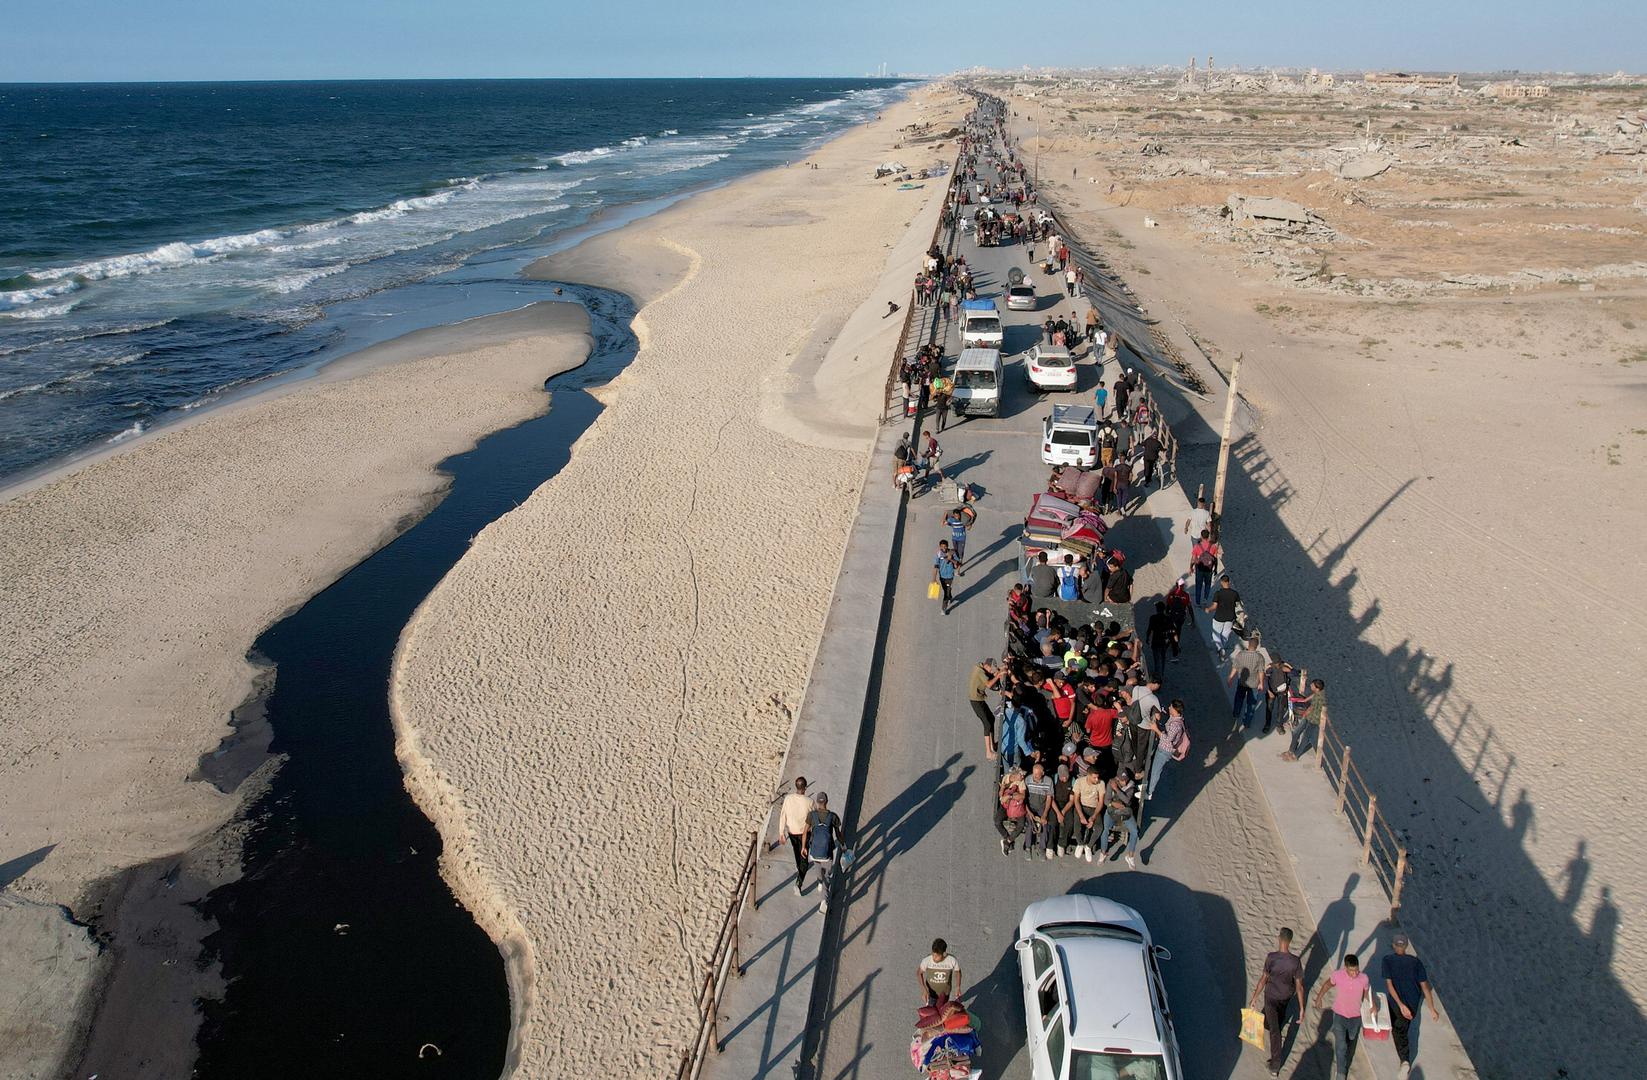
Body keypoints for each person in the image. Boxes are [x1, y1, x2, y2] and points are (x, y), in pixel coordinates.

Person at [1250, 927, 1306, 1077]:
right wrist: (1301, 1007)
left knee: (1276, 1032)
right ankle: (1267, 1025)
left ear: (1279, 938)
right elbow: (1299, 987)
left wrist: (1254, 997)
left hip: (1271, 997)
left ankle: (1275, 1065)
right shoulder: (1295, 962)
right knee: (1276, 1021)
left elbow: (1263, 979)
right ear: (1290, 941)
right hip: (1286, 997)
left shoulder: (1271, 957)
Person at [1382, 933, 1439, 1077]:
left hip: (1397, 1003)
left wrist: (1400, 1004)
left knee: (1398, 1031)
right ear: (1406, 946)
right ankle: (1404, 1061)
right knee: (1403, 1028)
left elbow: (1389, 986)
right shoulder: (1416, 962)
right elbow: (1425, 987)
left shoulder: (1387, 960)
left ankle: (1405, 1061)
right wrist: (1432, 1009)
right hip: (1412, 1004)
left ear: (1394, 945)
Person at [1313, 954, 1373, 1080]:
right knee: (1341, 1046)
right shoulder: (1337, 975)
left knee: (1351, 1040)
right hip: (1339, 1015)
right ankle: (1341, 1073)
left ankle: (1344, 1061)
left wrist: (1373, 1005)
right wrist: (1319, 997)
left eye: (1356, 969)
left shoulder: (1364, 978)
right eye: (1352, 971)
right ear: (1346, 968)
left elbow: (1367, 993)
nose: (1355, 973)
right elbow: (1327, 984)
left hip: (1356, 1017)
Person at [805, 793, 844, 913]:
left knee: (817, 866)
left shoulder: (812, 816)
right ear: (826, 801)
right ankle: (824, 901)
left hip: (815, 849)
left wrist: (803, 847)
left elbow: (805, 831)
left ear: (817, 802)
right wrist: (843, 845)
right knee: (827, 875)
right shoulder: (833, 817)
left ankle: (819, 882)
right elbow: (838, 833)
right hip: (827, 851)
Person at [1144, 699, 1188, 799]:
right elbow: (1165, 711)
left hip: (1165, 751)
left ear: (1175, 710)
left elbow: (1168, 740)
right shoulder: (1176, 718)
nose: (1169, 708)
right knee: (1153, 769)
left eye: (1171, 707)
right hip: (1163, 748)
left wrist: (1156, 729)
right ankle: (1147, 788)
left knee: (1156, 771)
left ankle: (1149, 793)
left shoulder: (1176, 725)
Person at [1100, 768, 1140, 868]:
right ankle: (1103, 852)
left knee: (1134, 831)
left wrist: (1117, 789)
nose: (1124, 781)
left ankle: (1130, 856)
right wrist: (1113, 803)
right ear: (1117, 778)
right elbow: (1106, 801)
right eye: (1122, 780)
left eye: (1125, 779)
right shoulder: (1111, 783)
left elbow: (1126, 800)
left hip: (1125, 812)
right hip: (1112, 810)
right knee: (1105, 829)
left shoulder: (1131, 785)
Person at [1282, 678, 1327, 761]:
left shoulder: (1319, 698)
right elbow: (1314, 695)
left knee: (1305, 737)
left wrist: (1304, 714)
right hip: (1309, 717)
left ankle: (1296, 755)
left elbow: (1311, 708)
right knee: (1296, 732)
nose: (1310, 685)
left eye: (1312, 685)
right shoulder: (1320, 692)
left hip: (1313, 719)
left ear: (1317, 688)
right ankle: (1291, 750)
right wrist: (1305, 700)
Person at [967, 659, 1004, 760]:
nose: (991, 672)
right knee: (987, 724)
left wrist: (999, 670)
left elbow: (991, 674)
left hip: (979, 699)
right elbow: (988, 684)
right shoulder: (980, 672)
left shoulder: (981, 667)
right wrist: (998, 676)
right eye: (991, 670)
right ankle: (988, 752)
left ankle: (993, 745)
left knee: (991, 718)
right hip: (976, 701)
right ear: (987, 666)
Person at [1229, 632, 1267, 730]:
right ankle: (1247, 722)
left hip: (1242, 681)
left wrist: (1230, 678)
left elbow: (1235, 667)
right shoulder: (1260, 657)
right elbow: (1261, 672)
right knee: (1251, 704)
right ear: (1256, 646)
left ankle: (1236, 713)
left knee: (1239, 698)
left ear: (1248, 644)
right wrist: (1261, 683)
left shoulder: (1240, 654)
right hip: (1254, 683)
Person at [1071, 765, 1105, 862]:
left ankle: (1088, 846)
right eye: (1094, 777)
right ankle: (1080, 843)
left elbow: (1100, 802)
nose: (1096, 779)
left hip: (1094, 808)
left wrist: (1093, 817)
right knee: (1077, 824)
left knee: (1099, 827)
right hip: (1081, 806)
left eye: (1097, 777)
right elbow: (1076, 800)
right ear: (1088, 776)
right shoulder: (1079, 782)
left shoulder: (1101, 783)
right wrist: (1081, 816)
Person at [1024, 760, 1057, 860]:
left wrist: (1045, 814)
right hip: (1030, 807)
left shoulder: (1048, 781)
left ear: (1043, 773)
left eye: (1037, 775)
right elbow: (1024, 798)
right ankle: (1027, 848)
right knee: (1030, 825)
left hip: (1042, 807)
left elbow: (1049, 798)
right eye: (1034, 774)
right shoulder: (1028, 779)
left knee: (1045, 824)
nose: (1035, 776)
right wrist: (1029, 812)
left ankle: (1042, 848)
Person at [1207, 574, 1240, 660]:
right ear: (1229, 582)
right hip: (1230, 617)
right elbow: (1236, 604)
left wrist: (1208, 609)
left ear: (1221, 582)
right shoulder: (1234, 593)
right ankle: (1222, 648)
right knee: (1225, 634)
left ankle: (1220, 649)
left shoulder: (1218, 593)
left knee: (1216, 634)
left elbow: (1214, 606)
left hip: (1219, 617)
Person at [919, 939, 962, 1006]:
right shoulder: (927, 960)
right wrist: (924, 989)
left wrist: (958, 987)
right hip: (931, 993)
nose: (934, 958)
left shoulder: (952, 960)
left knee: (942, 1009)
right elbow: (919, 973)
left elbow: (958, 972)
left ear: (944, 954)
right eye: (933, 955)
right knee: (932, 1010)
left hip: (945, 993)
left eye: (937, 956)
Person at [997, 767, 1028, 855]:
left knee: (1021, 825)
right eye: (1020, 775)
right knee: (997, 821)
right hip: (1006, 805)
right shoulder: (1006, 778)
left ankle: (1008, 841)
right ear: (1015, 775)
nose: (1022, 776)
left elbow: (1022, 796)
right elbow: (1001, 794)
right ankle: (1008, 839)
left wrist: (1010, 797)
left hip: (1016, 806)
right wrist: (1003, 793)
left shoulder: (1021, 782)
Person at [1190, 528, 1220, 607]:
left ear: (1201, 536)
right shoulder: (1213, 546)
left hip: (1199, 568)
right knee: (1207, 584)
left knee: (1198, 585)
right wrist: (1215, 569)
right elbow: (1215, 559)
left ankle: (1197, 602)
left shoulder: (1197, 546)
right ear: (1208, 536)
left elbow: (1193, 559)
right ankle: (1205, 600)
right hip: (1209, 569)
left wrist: (1191, 567)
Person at [1145, 600, 1175, 674]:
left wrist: (1147, 638)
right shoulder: (1168, 618)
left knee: (1156, 658)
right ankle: (1161, 671)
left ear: (1157, 609)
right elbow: (1172, 631)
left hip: (1156, 640)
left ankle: (1158, 672)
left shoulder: (1153, 618)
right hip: (1165, 640)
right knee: (1162, 656)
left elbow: (1149, 629)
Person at [933, 540, 958, 614]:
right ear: (940, 546)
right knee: (946, 590)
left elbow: (957, 563)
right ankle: (950, 596)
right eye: (942, 546)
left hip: (950, 576)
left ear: (947, 546)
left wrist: (951, 559)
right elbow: (936, 567)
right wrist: (934, 578)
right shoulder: (938, 554)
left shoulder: (952, 553)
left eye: (945, 546)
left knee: (946, 594)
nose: (943, 548)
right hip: (942, 577)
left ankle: (943, 609)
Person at [944, 505, 973, 570]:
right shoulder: (951, 520)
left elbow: (968, 528)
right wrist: (944, 518)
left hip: (962, 539)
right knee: (956, 551)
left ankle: (959, 566)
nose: (957, 517)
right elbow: (945, 519)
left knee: (961, 552)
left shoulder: (963, 521)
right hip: (954, 539)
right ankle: (956, 562)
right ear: (953, 515)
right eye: (956, 516)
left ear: (960, 515)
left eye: (958, 515)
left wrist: (970, 524)